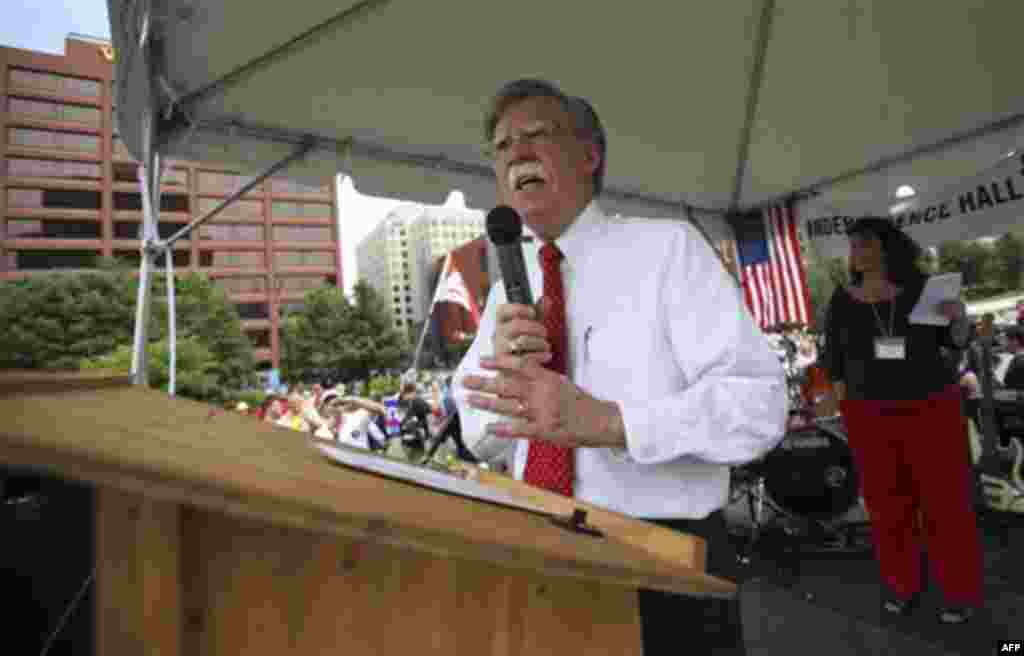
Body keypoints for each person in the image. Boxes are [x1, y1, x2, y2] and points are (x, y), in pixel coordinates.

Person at [453, 78, 787, 655]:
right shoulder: (510, 283)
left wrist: (611, 423)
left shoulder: (668, 250)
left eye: (536, 134)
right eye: (503, 146)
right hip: (537, 548)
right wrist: (501, 376)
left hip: (662, 560)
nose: (517, 153)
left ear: (590, 154)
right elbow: (478, 434)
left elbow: (758, 409)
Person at [822, 216, 981, 624]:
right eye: (853, 246)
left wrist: (959, 317)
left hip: (930, 407)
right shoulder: (842, 299)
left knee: (944, 503)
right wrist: (845, 409)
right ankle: (902, 585)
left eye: (865, 245)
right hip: (869, 415)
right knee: (887, 506)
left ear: (887, 247)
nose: (856, 254)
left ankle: (958, 593)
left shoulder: (924, 289)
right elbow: (834, 364)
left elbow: (956, 341)